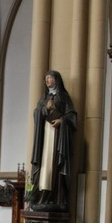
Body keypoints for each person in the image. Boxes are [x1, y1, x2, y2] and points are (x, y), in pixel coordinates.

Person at [30, 70, 77, 211]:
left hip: (57, 136)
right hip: (45, 136)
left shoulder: (64, 97)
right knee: (44, 165)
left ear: (56, 79)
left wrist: (62, 120)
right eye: (46, 78)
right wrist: (45, 109)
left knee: (54, 164)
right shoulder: (44, 98)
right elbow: (36, 113)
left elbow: (72, 116)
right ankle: (41, 197)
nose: (48, 81)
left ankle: (56, 198)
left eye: (50, 78)